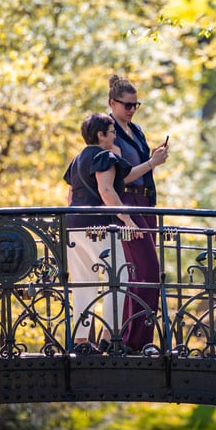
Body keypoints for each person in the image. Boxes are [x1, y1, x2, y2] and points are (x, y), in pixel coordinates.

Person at [64, 113, 149, 354]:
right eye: (112, 132)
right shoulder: (104, 157)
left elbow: (70, 197)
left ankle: (81, 341)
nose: (115, 137)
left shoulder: (77, 159)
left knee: (82, 282)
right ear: (101, 135)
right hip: (98, 227)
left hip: (73, 225)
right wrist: (128, 219)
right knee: (118, 276)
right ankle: (110, 337)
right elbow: (106, 190)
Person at [106, 75, 168, 353]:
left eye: (136, 105)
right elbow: (124, 176)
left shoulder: (136, 130)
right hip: (127, 205)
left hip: (145, 204)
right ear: (112, 103)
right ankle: (139, 341)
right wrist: (152, 162)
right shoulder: (109, 132)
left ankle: (129, 338)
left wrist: (153, 159)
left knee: (140, 273)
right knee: (148, 271)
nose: (132, 110)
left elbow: (142, 168)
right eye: (127, 105)